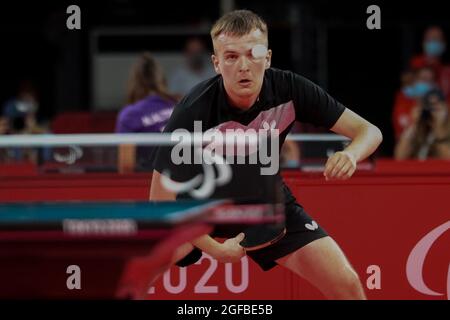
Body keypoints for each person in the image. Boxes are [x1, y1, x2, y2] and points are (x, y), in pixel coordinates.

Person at [150, 10, 382, 300]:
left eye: (253, 53)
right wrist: (217, 250)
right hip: (198, 208)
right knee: (138, 267)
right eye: (232, 57)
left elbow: (370, 131)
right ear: (217, 63)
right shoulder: (192, 111)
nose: (244, 66)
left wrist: (350, 155)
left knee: (347, 285)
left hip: (266, 204)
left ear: (268, 57)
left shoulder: (290, 89)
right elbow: (159, 203)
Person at [115, 52, 176, 173]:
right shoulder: (181, 103)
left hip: (149, 184)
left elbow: (126, 166)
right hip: (186, 182)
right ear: (162, 80)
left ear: (133, 83)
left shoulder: (130, 114)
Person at [394, 88, 450, 160]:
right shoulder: (420, 128)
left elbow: (447, 159)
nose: (432, 111)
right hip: (418, 170)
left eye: (436, 106)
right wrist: (413, 123)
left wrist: (439, 127)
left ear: (445, 107)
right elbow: (399, 156)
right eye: (430, 106)